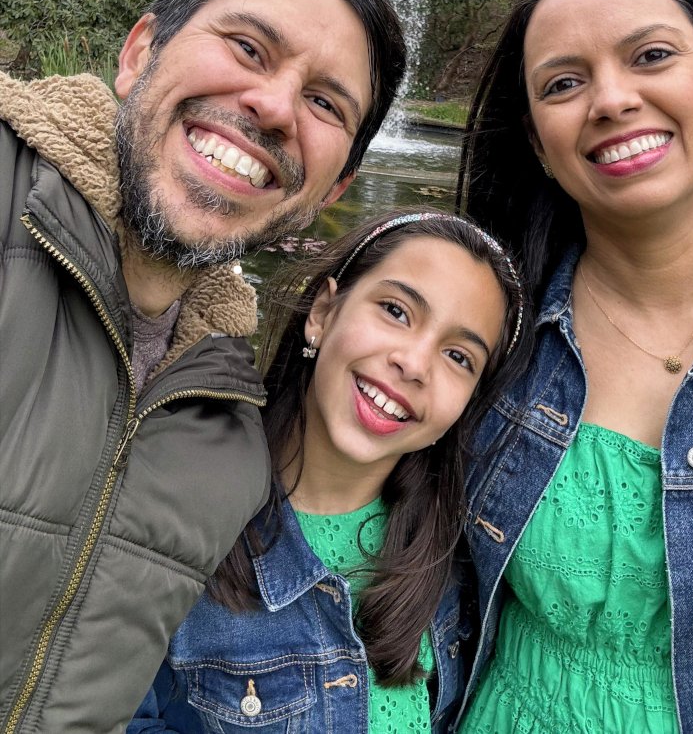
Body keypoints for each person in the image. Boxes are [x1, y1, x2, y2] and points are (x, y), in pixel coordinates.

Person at [0, 0, 406, 733]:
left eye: (326, 103)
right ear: (140, 50)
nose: (275, 106)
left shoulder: (228, 441)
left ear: (336, 186)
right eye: (248, 46)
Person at [454, 0, 693, 734]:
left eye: (649, 55)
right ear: (540, 144)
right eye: (565, 82)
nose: (611, 99)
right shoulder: (485, 329)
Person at [127, 209, 528, 734]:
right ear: (322, 312)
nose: (414, 362)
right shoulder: (170, 522)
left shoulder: (457, 561)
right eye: (396, 310)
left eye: (458, 356)